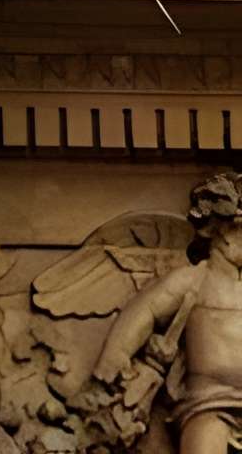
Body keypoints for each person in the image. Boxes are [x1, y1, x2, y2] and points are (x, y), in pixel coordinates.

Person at [95, 174, 242, 454]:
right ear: (213, 229)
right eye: (238, 228)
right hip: (208, 405)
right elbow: (145, 310)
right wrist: (115, 356)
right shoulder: (193, 280)